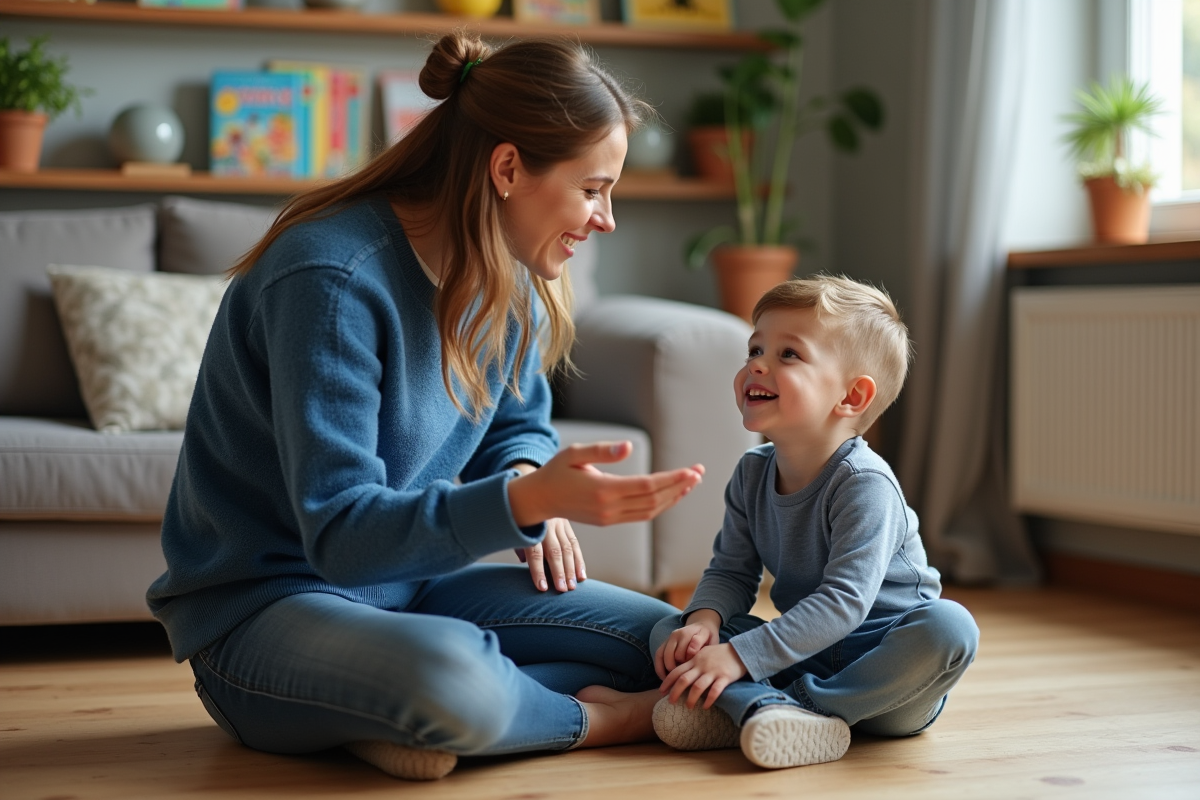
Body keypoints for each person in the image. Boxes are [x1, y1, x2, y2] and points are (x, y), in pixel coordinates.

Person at [146, 32, 707, 781]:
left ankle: (396, 720)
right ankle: (596, 718)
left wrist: (528, 472)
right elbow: (341, 536)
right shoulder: (331, 279)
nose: (605, 218)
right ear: (508, 168)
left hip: (415, 591)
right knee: (450, 676)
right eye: (594, 188)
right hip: (265, 612)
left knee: (680, 641)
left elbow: (516, 425)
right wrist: (522, 499)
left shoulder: (512, 284)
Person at [648, 275, 980, 770]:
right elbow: (731, 573)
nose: (756, 364)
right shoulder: (751, 473)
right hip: (805, 653)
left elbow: (844, 603)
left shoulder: (865, 484)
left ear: (851, 398)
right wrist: (704, 622)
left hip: (886, 674)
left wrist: (738, 659)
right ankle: (770, 712)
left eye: (788, 354)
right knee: (670, 630)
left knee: (951, 627)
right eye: (755, 348)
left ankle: (778, 707)